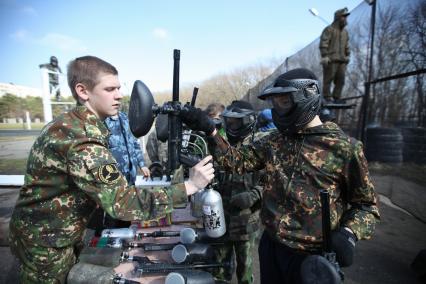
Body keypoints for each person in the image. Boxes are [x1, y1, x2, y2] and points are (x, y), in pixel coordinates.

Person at [8, 55, 214, 283]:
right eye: (109, 89)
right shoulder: (81, 138)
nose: (119, 95)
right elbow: (122, 202)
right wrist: (189, 186)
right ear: (83, 91)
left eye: (118, 88)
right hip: (45, 243)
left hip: (51, 233)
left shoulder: (74, 124)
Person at [179, 68, 380, 283]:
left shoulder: (344, 148)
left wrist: (349, 233)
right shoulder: (276, 140)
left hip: (311, 257)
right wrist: (210, 131)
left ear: (307, 96)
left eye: (284, 102)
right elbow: (235, 161)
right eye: (274, 103)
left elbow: (366, 206)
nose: (277, 109)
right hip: (272, 246)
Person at [212, 100, 262, 284]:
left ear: (247, 121)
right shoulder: (222, 146)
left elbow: (272, 181)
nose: (231, 126)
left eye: (236, 122)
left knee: (245, 269)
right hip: (222, 215)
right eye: (229, 122)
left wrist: (254, 195)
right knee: (219, 267)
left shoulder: (259, 146)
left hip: (246, 220)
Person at [319, 7, 351, 103]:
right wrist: (325, 55)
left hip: (342, 60)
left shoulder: (345, 32)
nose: (345, 19)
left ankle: (337, 97)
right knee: (328, 79)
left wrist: (348, 55)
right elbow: (323, 43)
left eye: (346, 17)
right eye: (343, 17)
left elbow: (347, 45)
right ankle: (327, 97)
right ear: (337, 18)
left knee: (341, 80)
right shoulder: (329, 29)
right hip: (331, 59)